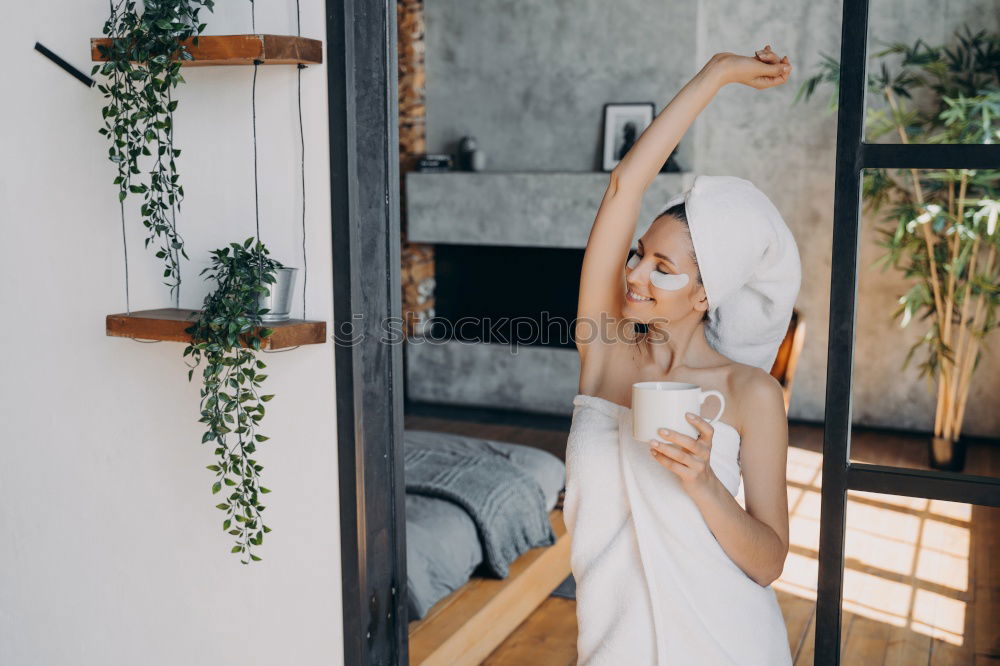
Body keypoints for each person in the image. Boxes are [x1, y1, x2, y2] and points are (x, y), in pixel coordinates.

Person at [563, 45, 800, 665]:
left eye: (662, 268)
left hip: (726, 643)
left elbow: (769, 561)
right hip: (614, 647)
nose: (635, 275)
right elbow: (623, 186)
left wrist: (703, 484)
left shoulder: (750, 393)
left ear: (704, 293)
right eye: (640, 254)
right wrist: (716, 74)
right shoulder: (606, 353)